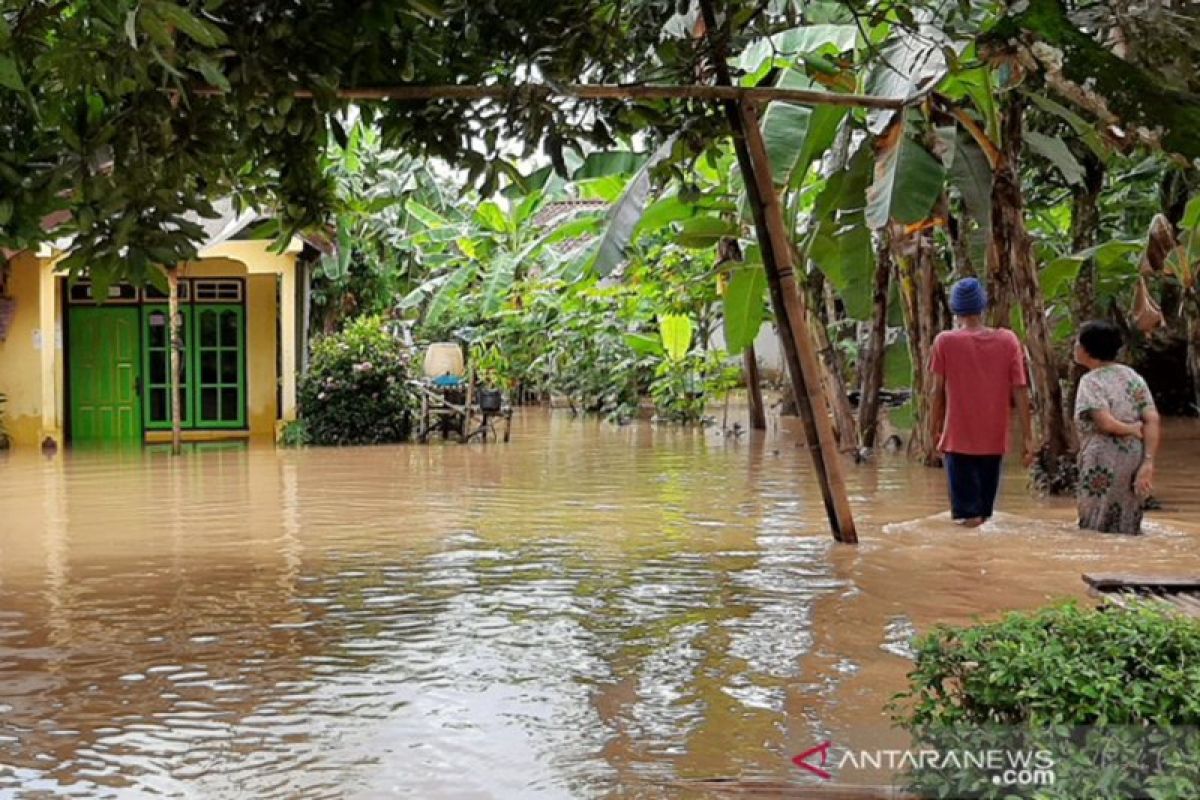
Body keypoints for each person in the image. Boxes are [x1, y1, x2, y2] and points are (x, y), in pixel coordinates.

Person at [930, 277, 1035, 527]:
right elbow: (1021, 390)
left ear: (955, 309)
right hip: (994, 441)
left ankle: (967, 564)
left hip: (958, 440)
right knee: (984, 516)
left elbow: (937, 391)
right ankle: (981, 563)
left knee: (969, 518)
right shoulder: (1008, 340)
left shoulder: (944, 341)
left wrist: (933, 428)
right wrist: (1029, 437)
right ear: (983, 306)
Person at [1073, 320, 1160, 535]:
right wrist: (1148, 462)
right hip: (1134, 457)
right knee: (1128, 522)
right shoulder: (1133, 377)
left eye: (1077, 342)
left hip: (1102, 459)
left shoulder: (1090, 381)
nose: (1074, 346)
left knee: (1094, 522)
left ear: (1086, 350)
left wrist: (1130, 429)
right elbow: (1152, 419)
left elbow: (1104, 423)